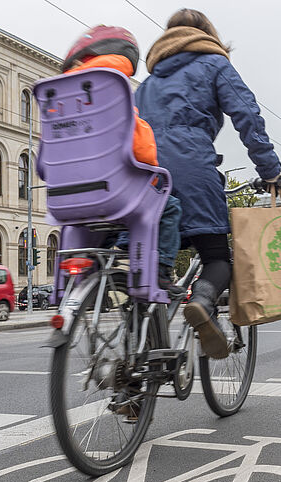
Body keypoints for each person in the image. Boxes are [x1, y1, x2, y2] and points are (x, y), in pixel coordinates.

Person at [136, 9, 281, 359]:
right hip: (191, 168)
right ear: (207, 35)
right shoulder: (215, 64)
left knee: (151, 263)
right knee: (217, 257)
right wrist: (270, 171)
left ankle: (140, 355)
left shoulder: (147, 84)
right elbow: (247, 115)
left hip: (143, 175)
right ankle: (202, 303)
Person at [62, 25, 183, 296]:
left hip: (68, 196)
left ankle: (91, 271)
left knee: (98, 221)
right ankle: (161, 271)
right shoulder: (113, 85)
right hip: (114, 191)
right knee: (169, 206)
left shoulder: (60, 93)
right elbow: (142, 151)